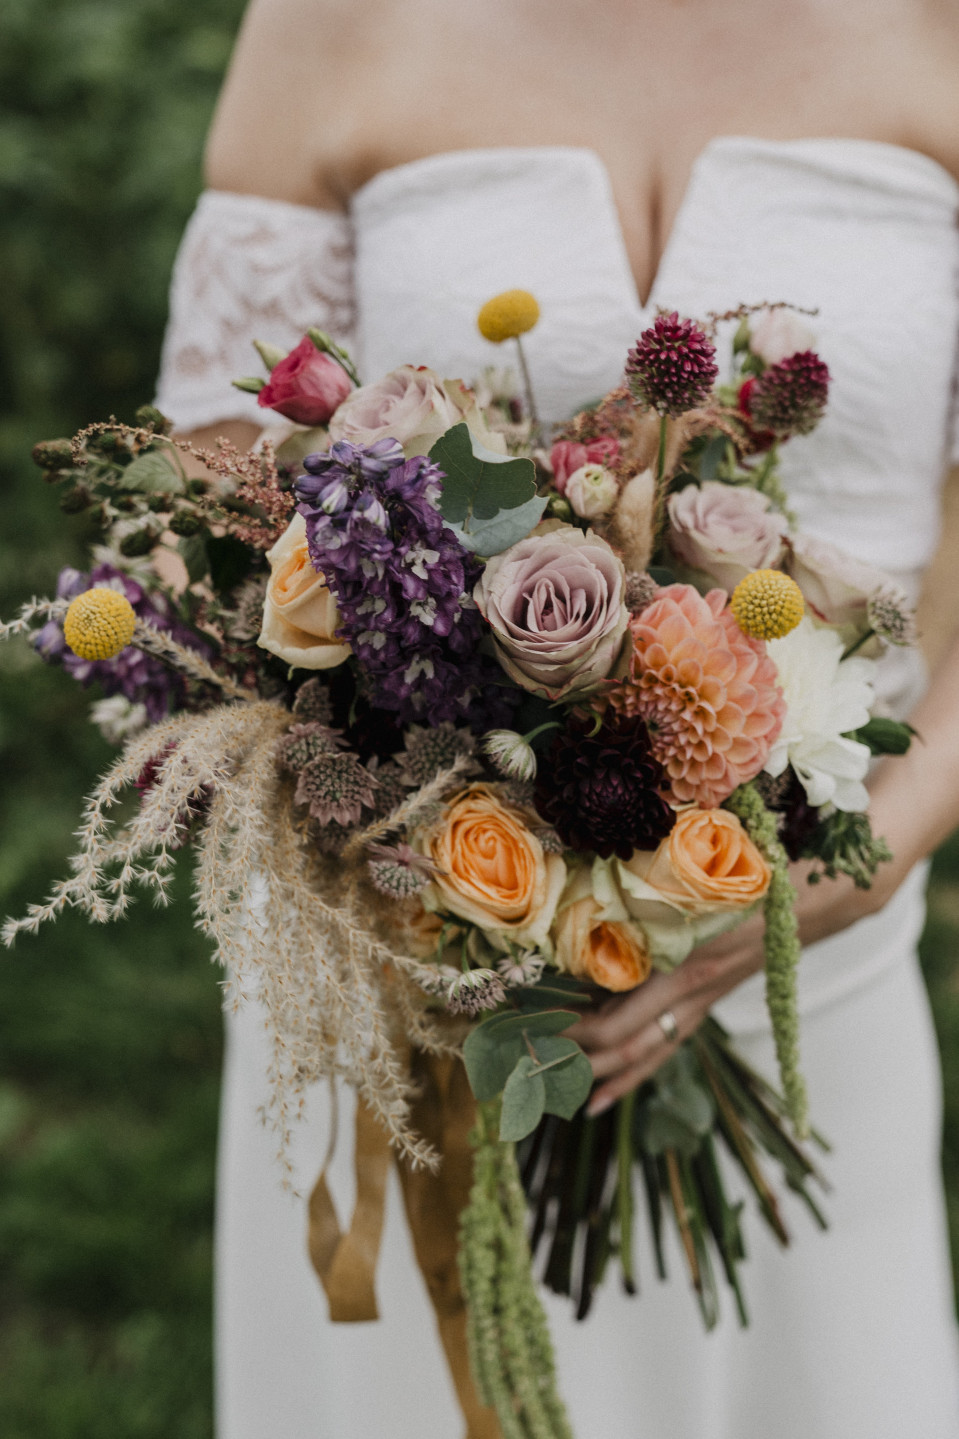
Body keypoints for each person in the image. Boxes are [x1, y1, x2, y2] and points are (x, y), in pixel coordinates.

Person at [154, 1, 959, 1434]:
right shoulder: (329, 20)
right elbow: (215, 488)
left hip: (812, 959)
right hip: (413, 978)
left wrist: (864, 855)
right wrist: (399, 820)